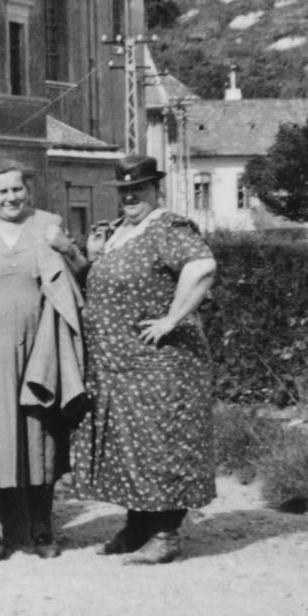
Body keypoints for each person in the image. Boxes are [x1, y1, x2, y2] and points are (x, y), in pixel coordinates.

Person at [78, 154, 218, 566]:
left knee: (160, 446)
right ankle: (137, 527)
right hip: (118, 367)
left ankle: (165, 535)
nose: (130, 196)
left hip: (160, 364)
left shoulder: (167, 227)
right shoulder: (118, 231)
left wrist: (173, 318)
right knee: (129, 446)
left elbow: (203, 266)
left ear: (156, 189)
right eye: (123, 190)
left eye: (138, 188)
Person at [0, 159, 87, 562]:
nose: (11, 197)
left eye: (17, 189)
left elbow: (79, 276)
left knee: (38, 433)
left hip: (38, 348)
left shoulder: (48, 224)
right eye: (2, 191)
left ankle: (42, 526)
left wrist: (67, 247)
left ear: (28, 190)